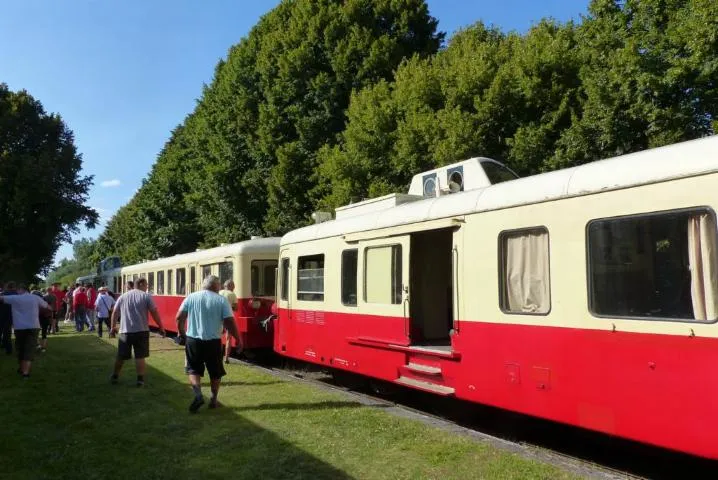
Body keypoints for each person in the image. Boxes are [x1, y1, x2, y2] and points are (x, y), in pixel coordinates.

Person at [176, 275, 240, 413]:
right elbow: (230, 322)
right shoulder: (221, 300)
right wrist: (239, 339)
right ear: (216, 286)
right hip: (213, 342)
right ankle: (213, 400)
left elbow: (179, 317)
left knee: (193, 368)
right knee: (215, 372)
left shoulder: (191, 297)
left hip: (193, 340)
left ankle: (198, 394)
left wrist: (182, 333)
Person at [109, 278, 165, 386]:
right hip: (142, 331)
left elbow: (115, 312)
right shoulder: (146, 296)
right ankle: (140, 380)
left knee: (121, 355)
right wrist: (161, 326)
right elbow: (154, 312)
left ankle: (115, 376)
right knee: (140, 356)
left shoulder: (123, 296)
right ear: (141, 284)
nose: (147, 287)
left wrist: (112, 327)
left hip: (124, 331)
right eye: (146, 285)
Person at [0, 283, 51, 378]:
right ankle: (25, 372)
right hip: (33, 326)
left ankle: (22, 369)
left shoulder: (15, 298)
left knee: (21, 348)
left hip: (19, 327)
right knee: (29, 349)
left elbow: (1, 298)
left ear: (20, 289)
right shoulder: (35, 298)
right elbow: (48, 307)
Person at [218, 280, 238, 364]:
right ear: (231, 286)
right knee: (228, 338)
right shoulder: (232, 294)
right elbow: (236, 308)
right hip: (227, 317)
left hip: (218, 317)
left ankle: (218, 356)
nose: (234, 288)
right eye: (233, 286)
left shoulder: (218, 292)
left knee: (217, 336)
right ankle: (226, 358)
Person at [0, 282, 17, 355]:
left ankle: (4, 345)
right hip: (12, 315)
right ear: (13, 287)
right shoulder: (17, 295)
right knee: (7, 332)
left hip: (2, 314)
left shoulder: (3, 294)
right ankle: (8, 349)